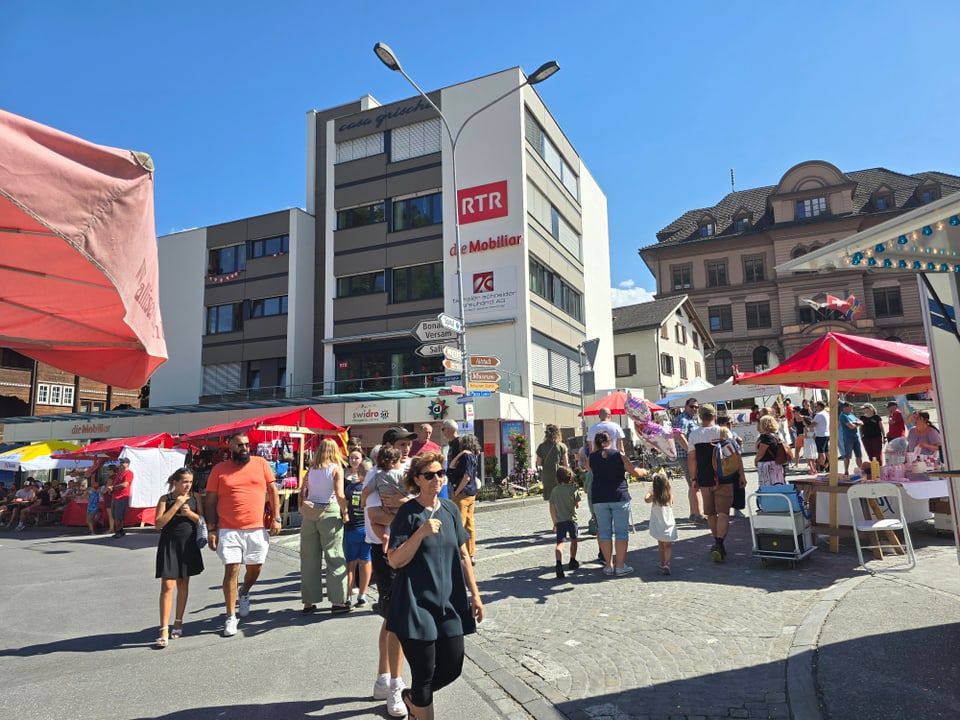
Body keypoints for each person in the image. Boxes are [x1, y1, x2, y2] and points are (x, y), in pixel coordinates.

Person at [386, 452, 484, 720]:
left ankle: (411, 698)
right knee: (424, 674)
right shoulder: (409, 513)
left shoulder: (451, 509)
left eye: (441, 473)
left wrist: (475, 595)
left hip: (450, 602)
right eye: (429, 475)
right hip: (416, 605)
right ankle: (420, 706)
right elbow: (394, 560)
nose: (437, 479)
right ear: (416, 479)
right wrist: (420, 532)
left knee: (452, 667)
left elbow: (464, 555)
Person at [205, 432, 281, 638]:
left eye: (247, 445)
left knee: (255, 568)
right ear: (230, 447)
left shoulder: (261, 463)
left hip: (256, 528)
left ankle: (245, 592)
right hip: (228, 529)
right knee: (232, 569)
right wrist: (211, 529)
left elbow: (273, 491)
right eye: (240, 445)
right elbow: (210, 501)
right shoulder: (219, 470)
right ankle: (230, 616)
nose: (245, 448)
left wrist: (277, 517)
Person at [364, 427, 417, 718]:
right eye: (401, 444)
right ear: (388, 447)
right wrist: (406, 511)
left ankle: (384, 679)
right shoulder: (377, 475)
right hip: (386, 554)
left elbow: (426, 510)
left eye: (409, 444)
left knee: (393, 617)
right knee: (394, 617)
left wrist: (407, 506)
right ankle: (394, 684)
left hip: (408, 549)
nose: (407, 449)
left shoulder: (407, 473)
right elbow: (374, 515)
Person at [688, 403, 746, 563]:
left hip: (705, 478)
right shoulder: (723, 431)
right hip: (725, 476)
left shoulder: (694, 435)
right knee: (723, 513)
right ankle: (720, 543)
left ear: (700, 417)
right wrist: (741, 475)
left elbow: (692, 459)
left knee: (711, 514)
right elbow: (736, 455)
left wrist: (694, 478)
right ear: (714, 416)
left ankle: (716, 541)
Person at [154, 467, 205, 648]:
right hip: (169, 544)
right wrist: (176, 505)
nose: (187, 485)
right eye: (184, 482)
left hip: (188, 545)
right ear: (175, 482)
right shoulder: (165, 499)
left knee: (183, 583)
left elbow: (202, 520)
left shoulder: (196, 497)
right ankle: (163, 629)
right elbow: (158, 524)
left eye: (190, 482)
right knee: (167, 585)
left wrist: (189, 513)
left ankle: (178, 621)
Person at [300, 438, 350, 615]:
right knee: (334, 556)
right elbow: (339, 493)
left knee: (309, 559)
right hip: (329, 512)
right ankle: (338, 601)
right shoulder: (336, 469)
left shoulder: (311, 470)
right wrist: (345, 511)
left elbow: (303, 490)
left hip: (310, 513)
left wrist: (302, 506)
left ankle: (308, 602)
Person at [586, 430, 646, 576]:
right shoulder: (619, 455)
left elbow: (588, 468)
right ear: (610, 440)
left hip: (599, 498)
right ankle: (620, 566)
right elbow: (635, 472)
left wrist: (595, 450)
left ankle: (608, 565)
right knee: (621, 532)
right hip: (619, 496)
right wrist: (644, 471)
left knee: (604, 533)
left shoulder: (592, 457)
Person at [343, 459, 371, 607]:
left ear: (358, 473)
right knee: (366, 561)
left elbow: (345, 506)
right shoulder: (373, 489)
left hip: (352, 529)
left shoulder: (350, 488)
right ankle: (362, 595)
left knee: (350, 564)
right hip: (367, 530)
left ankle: (347, 596)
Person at [448, 433, 479, 566]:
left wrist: (457, 491)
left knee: (459, 525)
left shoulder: (466, 457)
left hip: (463, 494)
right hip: (471, 493)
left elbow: (459, 472)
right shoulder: (473, 456)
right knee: (469, 525)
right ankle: (471, 554)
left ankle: (459, 554)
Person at [673, 397, 705, 523]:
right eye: (692, 406)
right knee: (695, 483)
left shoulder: (691, 419)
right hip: (686, 456)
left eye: (696, 407)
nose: (694, 409)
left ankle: (693, 513)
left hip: (688, 455)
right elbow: (679, 436)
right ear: (686, 407)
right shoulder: (683, 419)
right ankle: (697, 514)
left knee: (693, 484)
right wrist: (691, 451)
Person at [644, 469, 678, 575]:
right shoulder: (669, 495)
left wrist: (650, 492)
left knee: (660, 543)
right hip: (668, 522)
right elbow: (672, 502)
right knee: (668, 545)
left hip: (658, 523)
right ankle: (667, 563)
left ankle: (662, 561)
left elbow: (646, 499)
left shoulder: (654, 497)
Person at [549, 466, 580, 578]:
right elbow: (577, 505)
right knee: (574, 540)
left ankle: (558, 563)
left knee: (560, 543)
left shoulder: (555, 490)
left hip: (560, 521)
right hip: (572, 520)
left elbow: (552, 507)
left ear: (557, 478)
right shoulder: (573, 489)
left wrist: (554, 522)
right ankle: (572, 560)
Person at [535, 424, 568, 504]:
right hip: (558, 474)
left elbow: (539, 463)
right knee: (560, 498)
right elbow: (566, 464)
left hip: (546, 475)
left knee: (551, 500)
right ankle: (560, 515)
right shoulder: (562, 446)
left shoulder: (541, 446)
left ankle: (553, 516)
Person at [755, 415, 786, 487]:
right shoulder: (775, 435)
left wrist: (756, 460)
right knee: (777, 485)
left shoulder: (766, 437)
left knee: (768, 487)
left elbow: (760, 453)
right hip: (776, 464)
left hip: (768, 465)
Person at [108, 456, 134, 538]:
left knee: (119, 515)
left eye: (123, 462)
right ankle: (120, 530)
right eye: (121, 462)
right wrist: (111, 489)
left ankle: (119, 531)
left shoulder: (129, 473)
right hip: (115, 496)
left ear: (127, 464)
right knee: (115, 515)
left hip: (122, 496)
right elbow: (115, 484)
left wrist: (113, 488)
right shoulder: (119, 473)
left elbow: (125, 484)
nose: (121, 464)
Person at [839, 401, 863, 476]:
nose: (852, 409)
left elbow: (861, 422)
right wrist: (856, 424)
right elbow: (850, 426)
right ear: (845, 407)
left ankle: (860, 469)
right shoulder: (843, 416)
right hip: (848, 438)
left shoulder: (851, 415)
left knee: (858, 455)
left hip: (856, 437)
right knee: (847, 456)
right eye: (850, 407)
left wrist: (855, 423)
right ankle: (846, 471)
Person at [792, 399, 813, 467]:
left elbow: (811, 423)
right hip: (799, 435)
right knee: (797, 450)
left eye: (794, 411)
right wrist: (794, 431)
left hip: (805, 435)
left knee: (807, 450)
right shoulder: (794, 419)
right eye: (793, 411)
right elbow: (789, 426)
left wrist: (808, 432)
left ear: (798, 412)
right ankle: (796, 464)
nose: (793, 412)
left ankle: (809, 464)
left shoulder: (804, 418)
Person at [813, 401, 830, 471]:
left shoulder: (819, 415)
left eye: (816, 406)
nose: (815, 408)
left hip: (820, 435)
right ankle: (830, 465)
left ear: (820, 406)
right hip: (826, 434)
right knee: (826, 451)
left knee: (821, 452)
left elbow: (813, 424)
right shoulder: (826, 413)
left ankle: (821, 467)